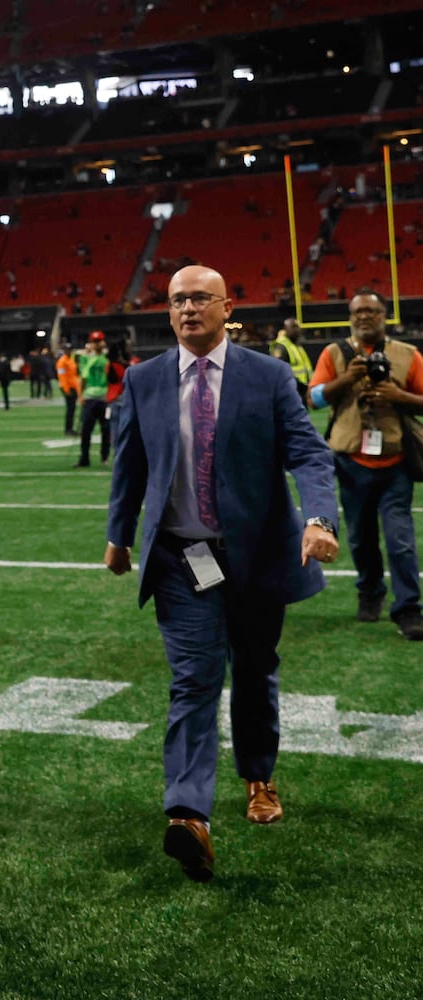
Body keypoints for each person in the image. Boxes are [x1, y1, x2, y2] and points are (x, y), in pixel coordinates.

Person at [105, 265, 339, 882]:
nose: (188, 309)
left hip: (257, 556)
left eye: (200, 298)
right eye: (178, 300)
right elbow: (130, 465)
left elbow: (309, 453)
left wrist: (318, 519)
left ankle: (258, 776)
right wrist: (117, 535)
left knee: (255, 668)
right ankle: (189, 814)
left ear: (227, 307)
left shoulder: (268, 376)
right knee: (194, 678)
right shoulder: (145, 378)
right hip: (182, 559)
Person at [307, 291, 423, 640]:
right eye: (357, 311)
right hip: (351, 462)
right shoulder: (335, 353)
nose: (364, 316)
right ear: (350, 316)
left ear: (384, 314)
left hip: (395, 461)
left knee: (401, 539)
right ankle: (370, 593)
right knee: (360, 538)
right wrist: (346, 379)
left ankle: (408, 608)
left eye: (371, 310)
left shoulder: (407, 354)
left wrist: (399, 396)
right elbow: (313, 398)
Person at [75, 331, 110, 466]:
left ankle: (104, 457)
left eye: (99, 341)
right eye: (94, 341)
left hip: (105, 397)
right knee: (85, 430)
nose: (97, 344)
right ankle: (84, 458)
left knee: (106, 430)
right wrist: (80, 396)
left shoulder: (108, 357)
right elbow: (83, 378)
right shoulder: (85, 358)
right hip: (89, 397)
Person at [271, 317, 313, 410]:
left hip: (301, 390)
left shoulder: (296, 345)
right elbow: (278, 371)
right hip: (290, 391)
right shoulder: (281, 346)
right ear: (285, 329)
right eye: (293, 327)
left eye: (297, 327)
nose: (297, 329)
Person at [55, 345, 79, 435]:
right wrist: (66, 389)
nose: (69, 351)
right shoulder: (62, 362)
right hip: (68, 387)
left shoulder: (70, 360)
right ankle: (68, 429)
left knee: (72, 409)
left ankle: (70, 428)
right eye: (67, 350)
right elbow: (62, 377)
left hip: (73, 386)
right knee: (70, 409)